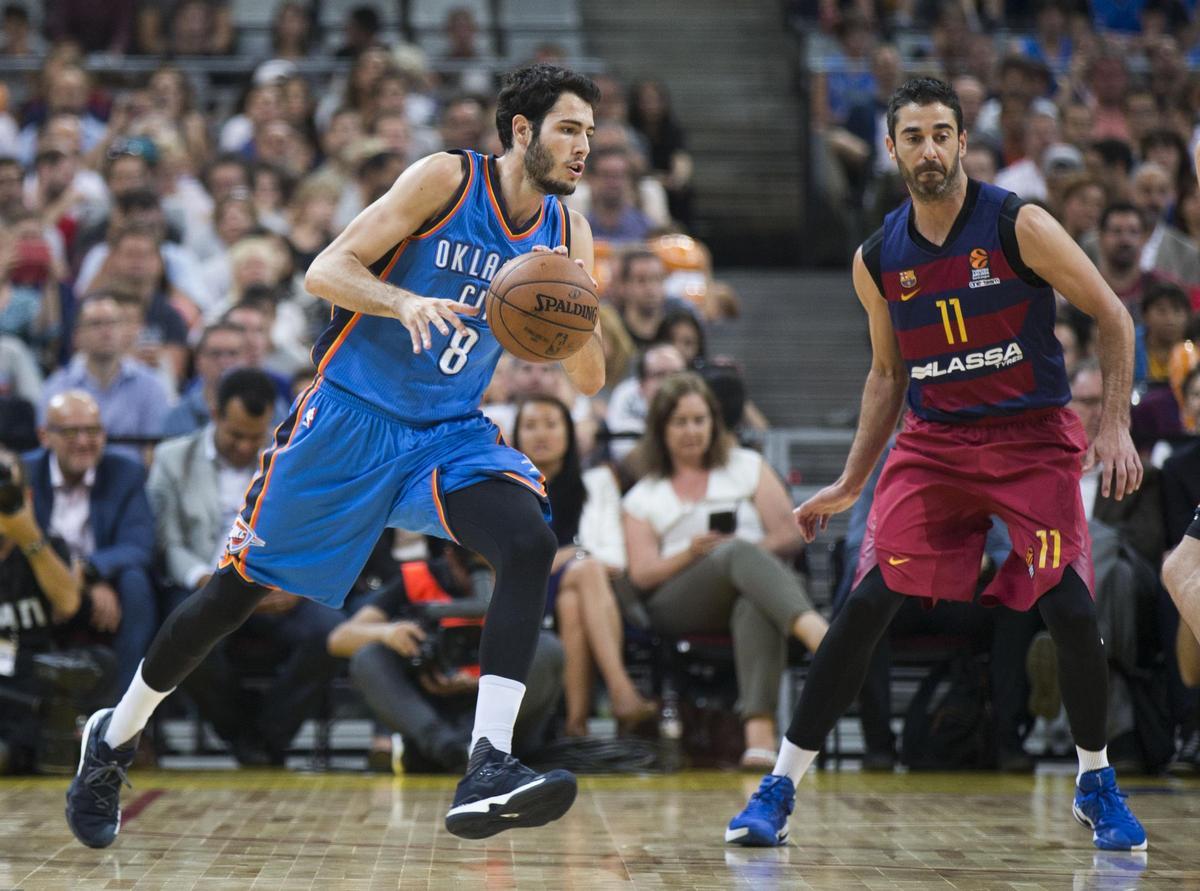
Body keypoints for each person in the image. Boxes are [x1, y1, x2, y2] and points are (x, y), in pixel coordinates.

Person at [65, 63, 605, 847]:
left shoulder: (567, 233)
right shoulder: (448, 180)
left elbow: (587, 380)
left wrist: (573, 308)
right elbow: (326, 269)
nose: (583, 146)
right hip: (349, 418)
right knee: (233, 593)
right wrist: (404, 299)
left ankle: (489, 761)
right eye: (569, 128)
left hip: (446, 431)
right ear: (522, 131)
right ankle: (115, 735)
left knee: (528, 539)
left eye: (590, 132)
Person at [728, 78, 1147, 852]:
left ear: (962, 141)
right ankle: (779, 785)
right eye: (913, 136)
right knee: (866, 604)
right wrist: (853, 481)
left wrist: (1115, 422)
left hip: (1030, 439)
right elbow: (888, 374)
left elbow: (1113, 316)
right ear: (890, 149)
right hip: (935, 444)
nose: (928, 149)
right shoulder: (877, 256)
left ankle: (1096, 779)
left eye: (941, 133)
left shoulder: (1019, 222)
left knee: (1071, 609)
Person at [623, 373, 827, 768]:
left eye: (700, 420)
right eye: (680, 422)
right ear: (661, 429)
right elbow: (643, 574)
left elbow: (787, 535)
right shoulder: (643, 494)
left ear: (714, 423)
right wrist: (693, 553)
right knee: (732, 553)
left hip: (758, 586)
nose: (691, 431)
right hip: (679, 598)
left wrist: (741, 558)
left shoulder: (746, 465)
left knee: (752, 602)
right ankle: (820, 636)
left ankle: (759, 737)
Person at [149, 368, 343, 764]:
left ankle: (269, 734)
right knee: (182, 634)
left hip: (276, 586)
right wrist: (205, 580)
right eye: (235, 435)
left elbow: (313, 531)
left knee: (330, 632)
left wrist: (298, 582)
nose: (244, 446)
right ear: (214, 414)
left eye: (255, 437)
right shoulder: (173, 459)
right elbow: (168, 543)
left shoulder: (292, 458)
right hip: (205, 583)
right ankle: (242, 735)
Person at [329, 543, 564, 772]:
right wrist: (387, 633)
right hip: (432, 714)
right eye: (474, 567)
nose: (484, 576)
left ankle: (478, 747)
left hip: (496, 711)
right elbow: (339, 639)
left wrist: (484, 682)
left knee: (549, 649)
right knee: (368, 656)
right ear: (451, 557)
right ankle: (449, 748)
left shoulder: (518, 579)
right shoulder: (419, 577)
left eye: (494, 564)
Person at [510, 395, 656, 737]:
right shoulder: (507, 488)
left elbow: (616, 559)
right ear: (516, 437)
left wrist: (567, 558)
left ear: (569, 433)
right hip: (527, 595)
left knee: (575, 593)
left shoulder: (598, 482)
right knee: (585, 568)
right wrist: (571, 556)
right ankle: (621, 693)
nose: (541, 434)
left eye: (551, 424)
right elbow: (509, 563)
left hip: (588, 591)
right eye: (530, 426)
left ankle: (577, 726)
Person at [28, 391, 156, 701]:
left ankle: (124, 718)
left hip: (103, 585)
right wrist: (60, 578)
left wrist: (89, 572)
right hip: (38, 581)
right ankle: (24, 709)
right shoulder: (25, 473)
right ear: (45, 436)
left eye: (93, 431)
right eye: (71, 432)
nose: (84, 441)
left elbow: (139, 545)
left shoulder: (125, 473)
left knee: (135, 583)